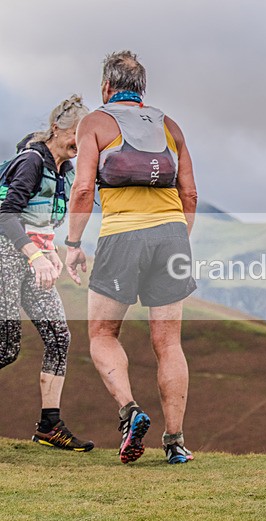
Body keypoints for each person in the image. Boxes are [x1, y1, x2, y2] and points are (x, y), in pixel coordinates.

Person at [65, 51, 198, 464]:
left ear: (106, 87)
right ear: (143, 90)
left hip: (122, 235)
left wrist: (72, 244)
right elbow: (189, 192)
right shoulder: (169, 125)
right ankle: (175, 443)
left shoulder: (96, 123)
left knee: (103, 334)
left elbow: (84, 189)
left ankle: (129, 410)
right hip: (172, 234)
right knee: (168, 342)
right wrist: (178, 237)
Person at [0, 95, 94, 452]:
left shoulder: (64, 172)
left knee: (59, 337)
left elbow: (40, 220)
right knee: (5, 348)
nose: (79, 144)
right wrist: (35, 257)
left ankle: (49, 426)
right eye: (75, 135)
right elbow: (6, 215)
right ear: (56, 128)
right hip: (6, 256)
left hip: (33, 259)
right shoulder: (30, 161)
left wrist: (52, 254)